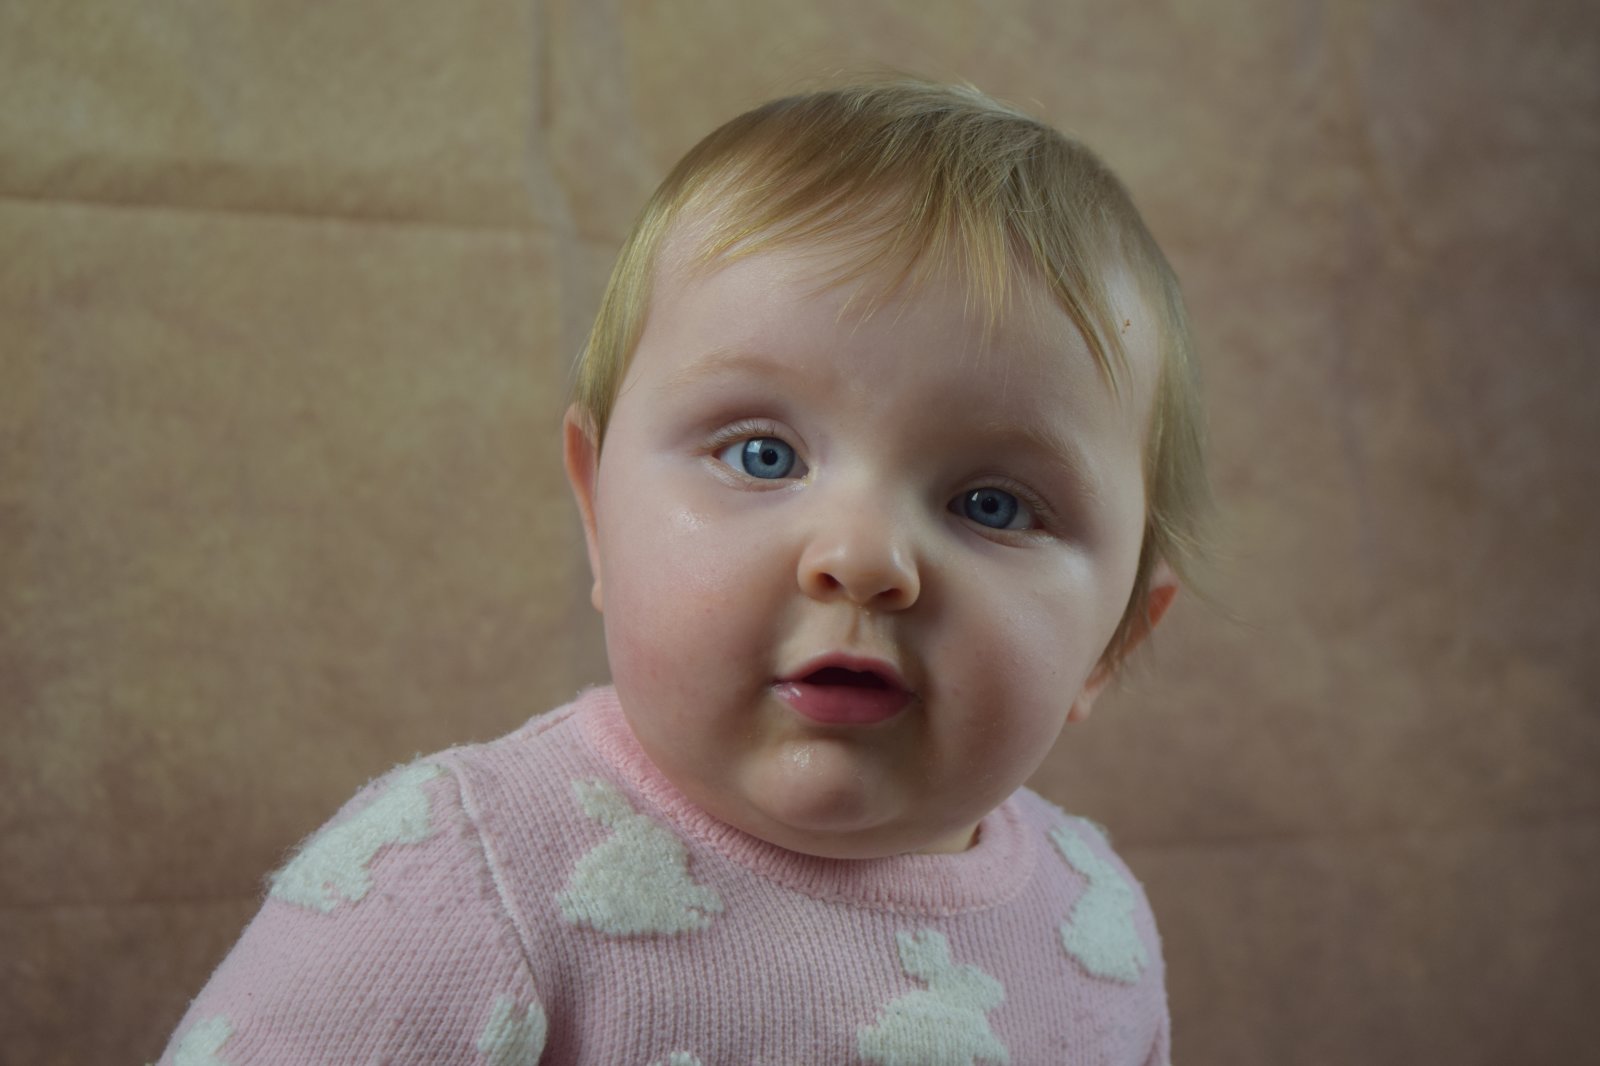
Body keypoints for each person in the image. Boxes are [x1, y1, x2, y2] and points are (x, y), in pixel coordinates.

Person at [159, 77, 1209, 1065]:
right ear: (597, 514)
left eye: (991, 505)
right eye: (763, 455)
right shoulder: (458, 878)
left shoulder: (1094, 919)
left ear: (1112, 642)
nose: (861, 559)